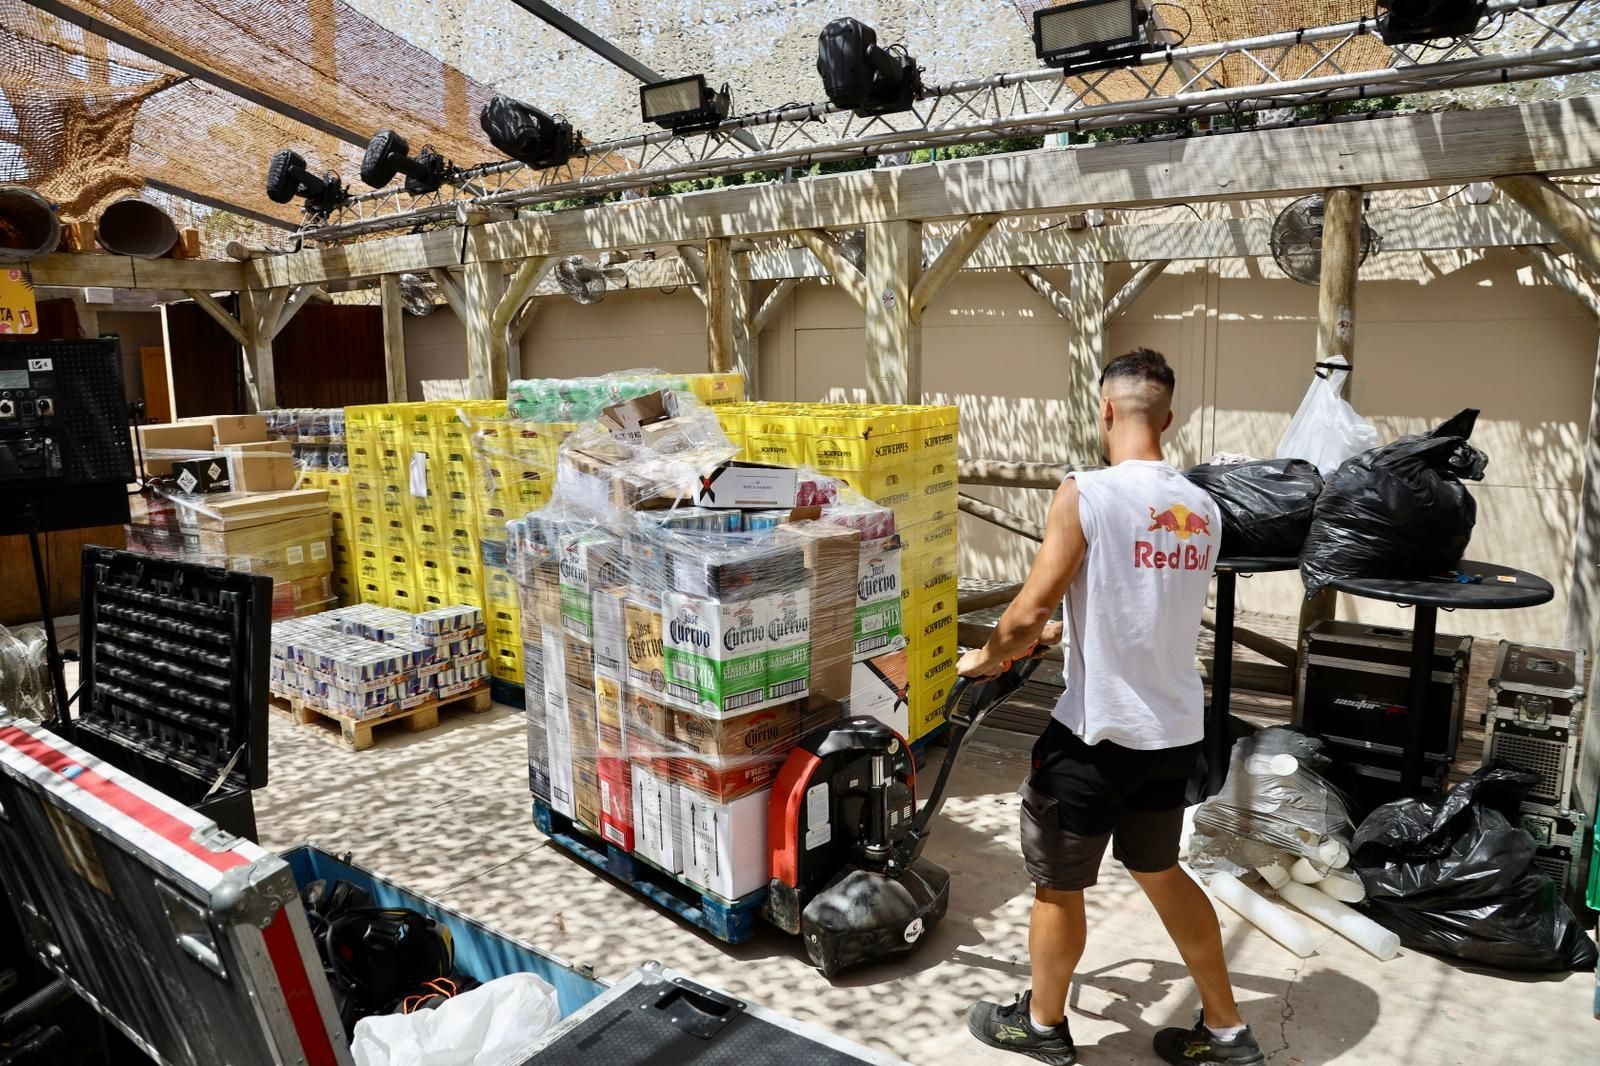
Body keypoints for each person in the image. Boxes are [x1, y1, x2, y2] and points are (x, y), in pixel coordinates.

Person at [959, 349, 1262, 1066]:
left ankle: (1040, 1026)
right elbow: (1145, 603)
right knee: (1159, 871)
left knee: (1058, 884)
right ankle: (1226, 1031)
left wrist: (990, 655)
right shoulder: (1203, 507)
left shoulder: (1086, 491)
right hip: (1173, 732)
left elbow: (1027, 611)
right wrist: (1073, 629)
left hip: (1095, 738)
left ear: (1105, 411)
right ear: (1169, 417)